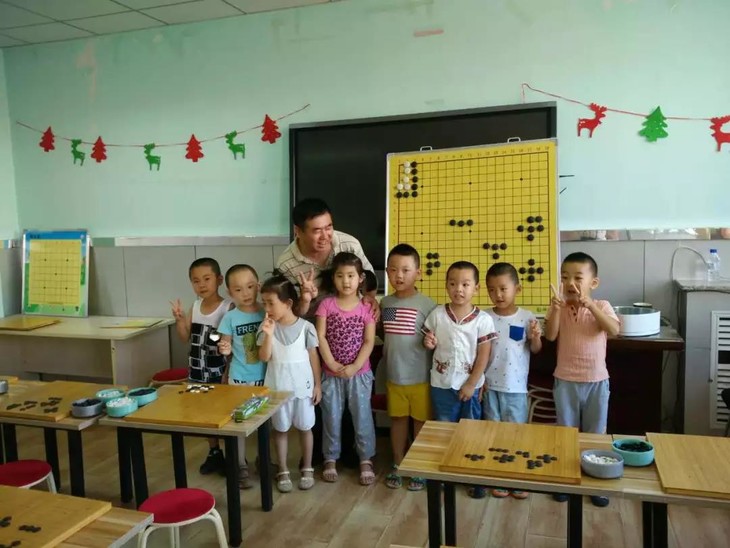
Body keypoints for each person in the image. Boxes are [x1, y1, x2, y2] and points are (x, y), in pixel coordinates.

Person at [545, 252, 620, 508]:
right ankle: (566, 481)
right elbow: (550, 335)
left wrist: (590, 305)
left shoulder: (603, 305)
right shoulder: (559, 306)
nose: (570, 283)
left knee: (596, 435)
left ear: (593, 283)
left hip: (596, 381)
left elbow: (614, 330)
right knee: (566, 434)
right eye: (565, 277)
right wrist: (556, 309)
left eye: (578, 278)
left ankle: (596, 482)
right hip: (565, 380)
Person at [469, 262, 543, 500]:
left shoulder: (527, 317)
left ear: (517, 289)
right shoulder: (484, 317)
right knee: (493, 431)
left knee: (516, 433)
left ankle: (516, 476)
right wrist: (479, 380)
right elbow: (478, 352)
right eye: (492, 290)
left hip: (516, 388)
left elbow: (536, 349)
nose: (498, 294)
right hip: (490, 386)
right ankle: (497, 475)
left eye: (503, 289)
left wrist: (535, 338)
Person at [315, 252, 377, 486]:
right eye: (340, 276)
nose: (346, 281)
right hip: (330, 374)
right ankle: (330, 458)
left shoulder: (366, 308)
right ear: (333, 278)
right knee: (331, 417)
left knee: (362, 417)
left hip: (359, 375)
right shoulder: (326, 305)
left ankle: (365, 458)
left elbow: (369, 341)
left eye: (351, 275)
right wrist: (331, 363)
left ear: (360, 278)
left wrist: (354, 366)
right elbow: (320, 336)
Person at [378, 244, 436, 491]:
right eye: (393, 270)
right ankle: (398, 462)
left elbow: (435, 340)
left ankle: (419, 466)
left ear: (418, 273)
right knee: (398, 420)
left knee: (420, 422)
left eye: (405, 270)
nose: (398, 275)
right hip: (394, 377)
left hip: (420, 377)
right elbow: (384, 333)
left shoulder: (428, 305)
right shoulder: (385, 303)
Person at [257, 276, 322, 493]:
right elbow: (264, 357)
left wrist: (318, 385)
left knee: (305, 427)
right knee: (280, 429)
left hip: (303, 388)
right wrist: (268, 335)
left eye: (271, 303)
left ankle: (307, 467)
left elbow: (313, 357)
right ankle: (283, 469)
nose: (267, 309)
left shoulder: (306, 327)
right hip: (277, 389)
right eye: (264, 303)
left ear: (288, 303)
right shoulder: (266, 327)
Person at [170, 257, 232, 476]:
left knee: (223, 411)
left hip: (219, 370)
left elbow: (231, 344)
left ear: (219, 280)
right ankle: (214, 452)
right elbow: (184, 337)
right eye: (196, 281)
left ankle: (234, 455)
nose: (202, 285)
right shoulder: (195, 306)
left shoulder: (227, 307)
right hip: (197, 370)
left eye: (207, 279)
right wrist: (179, 320)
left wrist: (227, 372)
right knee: (204, 412)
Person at [275, 198, 377, 316]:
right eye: (317, 231)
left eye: (328, 227)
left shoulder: (349, 245)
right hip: (312, 321)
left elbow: (369, 277)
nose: (324, 236)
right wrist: (304, 299)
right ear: (297, 231)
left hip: (353, 316)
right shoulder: (285, 265)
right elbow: (289, 313)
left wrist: (370, 298)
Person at [423, 261, 497, 423]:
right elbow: (428, 341)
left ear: (476, 288)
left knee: (469, 429)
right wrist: (428, 343)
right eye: (453, 284)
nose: (458, 289)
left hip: (471, 386)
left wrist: (471, 384)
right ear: (446, 286)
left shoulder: (483, 320)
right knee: (444, 427)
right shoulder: (437, 314)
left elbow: (484, 355)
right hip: (442, 384)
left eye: (465, 284)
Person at [216, 264, 266, 489]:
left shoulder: (266, 311)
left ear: (258, 286)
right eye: (238, 289)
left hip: (265, 377)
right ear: (230, 292)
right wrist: (224, 348)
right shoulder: (230, 317)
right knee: (239, 424)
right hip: (238, 378)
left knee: (265, 424)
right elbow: (224, 345)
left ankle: (264, 460)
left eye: (250, 286)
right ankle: (239, 465)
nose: (245, 293)